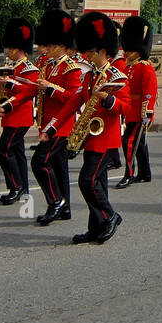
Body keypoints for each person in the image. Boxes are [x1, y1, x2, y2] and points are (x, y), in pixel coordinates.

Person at [69, 12, 127, 243]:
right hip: (91, 137)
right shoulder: (90, 77)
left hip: (107, 139)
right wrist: (53, 128)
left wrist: (107, 100)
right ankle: (95, 228)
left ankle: (110, 215)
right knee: (98, 182)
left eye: (91, 51)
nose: (87, 55)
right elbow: (75, 102)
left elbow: (126, 107)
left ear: (102, 50)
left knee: (87, 181)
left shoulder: (116, 76)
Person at [0, 17, 39, 205]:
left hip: (19, 117)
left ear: (20, 49)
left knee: (3, 150)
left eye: (11, 48)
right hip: (10, 116)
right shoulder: (11, 67)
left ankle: (14, 187)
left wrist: (10, 85)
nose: (8, 51)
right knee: (17, 151)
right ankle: (23, 187)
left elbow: (27, 92)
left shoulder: (29, 69)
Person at [32, 9, 81, 226]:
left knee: (39, 162)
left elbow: (72, 98)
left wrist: (50, 88)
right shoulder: (47, 65)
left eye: (51, 46)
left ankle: (55, 202)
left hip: (60, 126)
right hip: (48, 123)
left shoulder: (71, 68)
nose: (47, 49)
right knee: (60, 167)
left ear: (61, 46)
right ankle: (66, 208)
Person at [115, 16, 157, 189]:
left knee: (129, 142)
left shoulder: (145, 67)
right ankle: (145, 173)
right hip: (129, 109)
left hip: (140, 111)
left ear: (139, 49)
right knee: (139, 143)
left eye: (131, 49)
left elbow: (150, 92)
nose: (127, 52)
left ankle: (129, 173)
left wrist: (147, 111)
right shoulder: (128, 67)